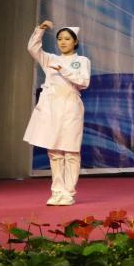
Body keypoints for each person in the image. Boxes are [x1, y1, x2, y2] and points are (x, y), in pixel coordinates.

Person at [24, 21, 91, 206]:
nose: (62, 42)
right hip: (51, 109)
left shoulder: (82, 61)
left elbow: (84, 82)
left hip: (71, 107)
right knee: (54, 151)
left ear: (75, 42)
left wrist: (63, 69)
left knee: (71, 151)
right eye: (60, 39)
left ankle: (68, 192)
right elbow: (32, 48)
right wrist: (40, 30)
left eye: (67, 39)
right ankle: (57, 191)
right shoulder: (50, 59)